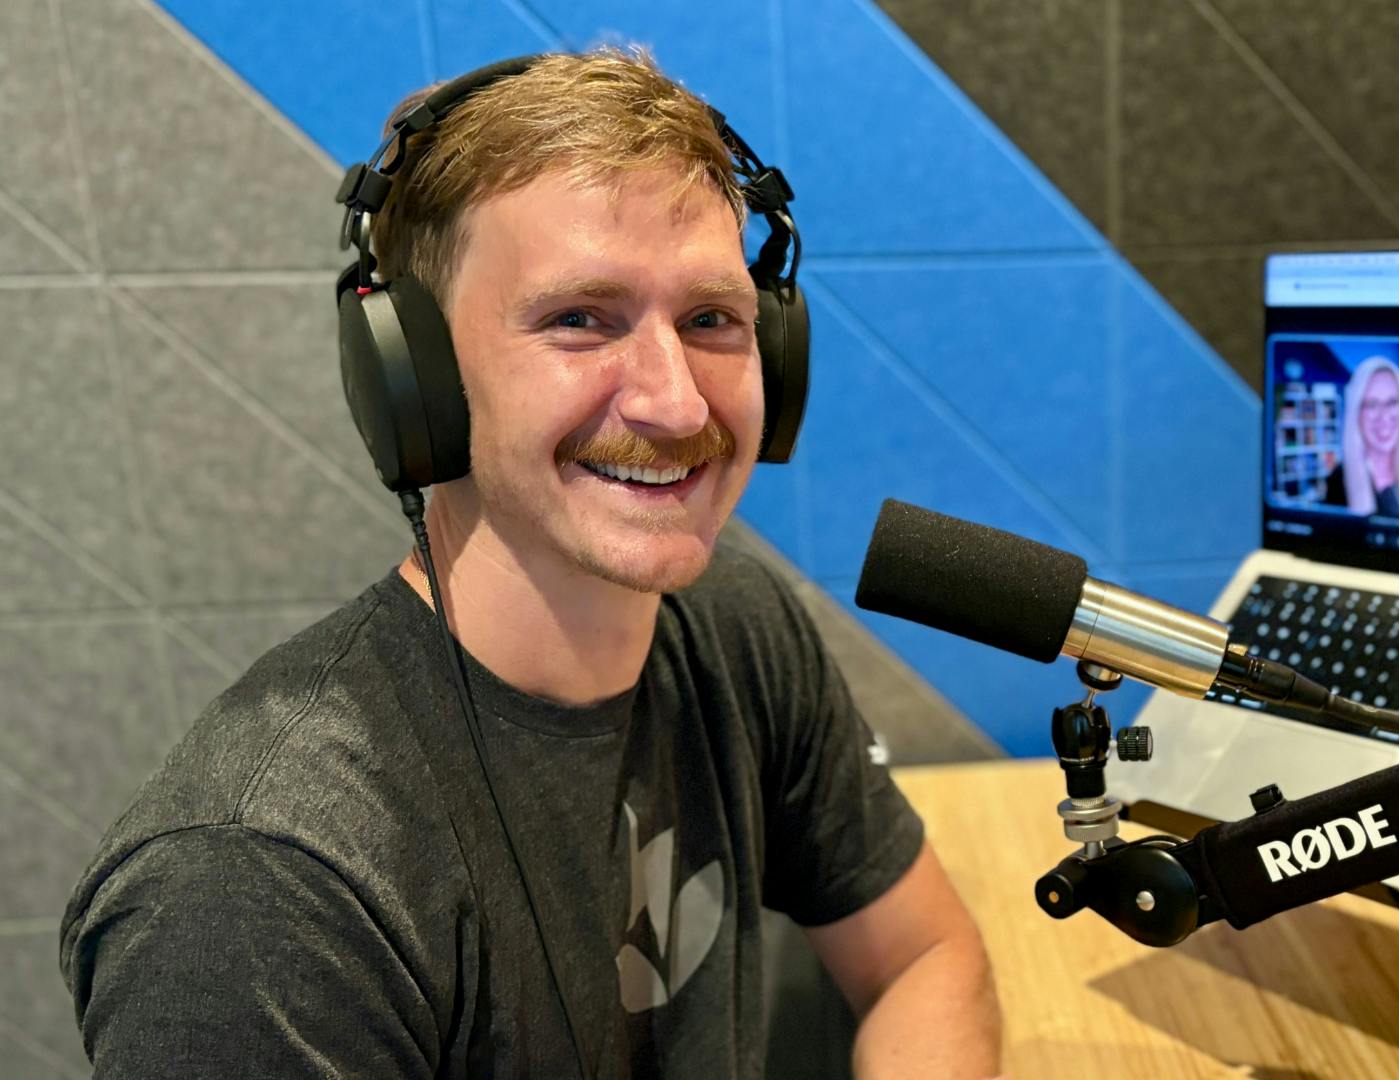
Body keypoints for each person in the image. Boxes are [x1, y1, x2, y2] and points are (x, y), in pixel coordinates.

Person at [58, 50, 1001, 1079]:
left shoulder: (735, 626)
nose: (679, 404)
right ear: (416, 381)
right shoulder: (259, 887)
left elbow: (924, 956)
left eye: (710, 321)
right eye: (579, 320)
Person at [1324, 356, 1399, 518]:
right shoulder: (1339, 479)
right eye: (1372, 404)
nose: (1384, 417)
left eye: (1392, 402)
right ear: (1356, 413)